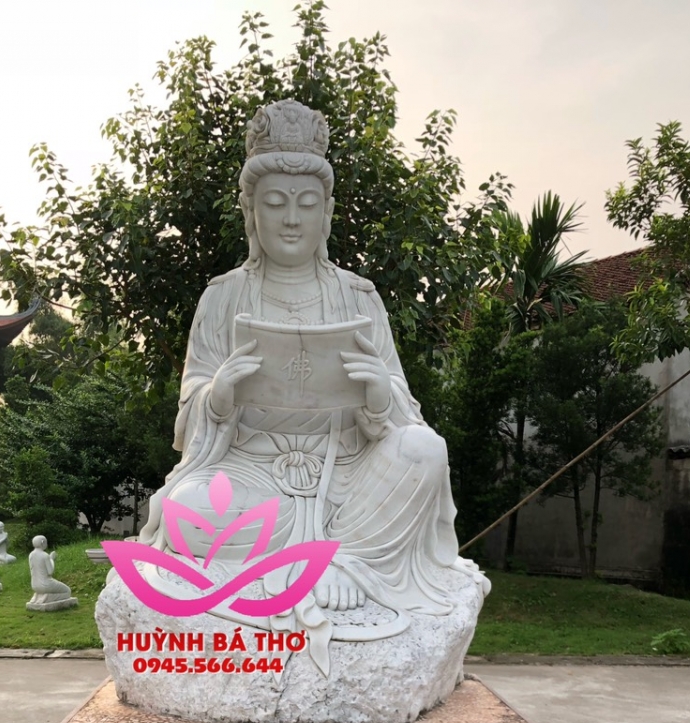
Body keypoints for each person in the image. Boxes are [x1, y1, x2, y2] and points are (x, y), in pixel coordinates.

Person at [140, 100, 483, 664]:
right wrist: (219, 394)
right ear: (251, 211)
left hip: (347, 475)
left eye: (306, 203)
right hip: (252, 474)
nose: (291, 219)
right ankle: (316, 560)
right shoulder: (222, 296)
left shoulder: (359, 296)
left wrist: (379, 396)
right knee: (188, 510)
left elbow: (404, 411)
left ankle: (346, 560)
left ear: (327, 214)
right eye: (275, 203)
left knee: (426, 450)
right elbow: (189, 414)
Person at [27, 536, 73, 607]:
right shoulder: (45, 555)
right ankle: (47, 598)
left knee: (61, 590)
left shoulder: (31, 555)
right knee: (67, 591)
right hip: (46, 584)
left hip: (35, 585)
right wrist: (51, 559)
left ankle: (37, 596)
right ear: (43, 543)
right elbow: (50, 572)